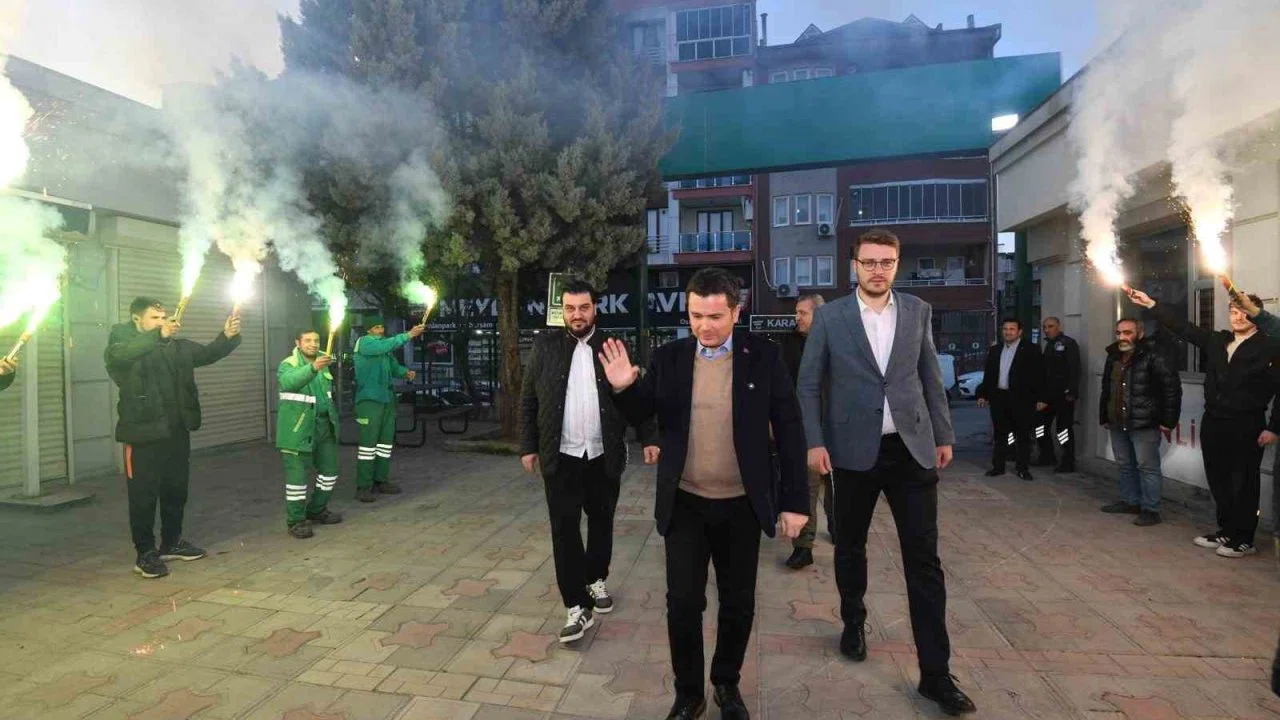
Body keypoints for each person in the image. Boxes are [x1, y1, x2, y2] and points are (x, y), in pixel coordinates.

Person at [599, 267, 809, 720]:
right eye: (696, 316)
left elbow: (790, 429)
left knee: (738, 603)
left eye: (714, 316)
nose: (704, 326)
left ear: (736, 311)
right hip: (686, 503)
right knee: (683, 604)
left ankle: (726, 684)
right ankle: (689, 693)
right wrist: (622, 387)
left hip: (742, 505)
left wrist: (795, 502)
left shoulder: (764, 357)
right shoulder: (670, 358)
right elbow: (641, 412)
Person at [798, 228, 975, 716]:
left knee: (924, 561)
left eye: (887, 262)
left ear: (897, 264)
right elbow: (808, 385)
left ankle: (935, 675)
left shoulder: (918, 311)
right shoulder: (830, 317)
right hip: (852, 453)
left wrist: (943, 434)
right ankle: (853, 621)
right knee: (850, 547)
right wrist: (814, 441)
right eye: (869, 262)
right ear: (854, 265)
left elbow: (929, 375)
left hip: (911, 451)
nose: (878, 270)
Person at [519, 280, 659, 643]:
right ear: (562, 311)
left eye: (583, 307)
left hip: (602, 453)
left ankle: (596, 579)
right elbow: (528, 398)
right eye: (570, 308)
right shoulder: (545, 346)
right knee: (564, 530)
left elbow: (636, 393)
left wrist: (649, 437)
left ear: (595, 308)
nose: (577, 315)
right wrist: (528, 445)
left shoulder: (614, 346)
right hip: (561, 455)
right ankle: (576, 605)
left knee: (601, 521)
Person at [1126, 287, 1277, 557]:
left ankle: (1244, 538)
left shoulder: (1269, 345)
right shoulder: (1218, 340)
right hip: (1214, 420)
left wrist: (1274, 427)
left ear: (1256, 315)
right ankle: (1226, 530)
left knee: (1243, 481)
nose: (1238, 317)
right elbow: (1183, 328)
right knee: (1218, 478)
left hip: (1246, 422)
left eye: (1244, 312)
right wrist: (1151, 304)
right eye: (1233, 311)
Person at [104, 296, 241, 579]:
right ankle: (145, 553)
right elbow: (121, 356)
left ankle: (172, 542)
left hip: (176, 432)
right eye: (154, 318)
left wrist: (226, 337)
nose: (162, 322)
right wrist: (158, 335)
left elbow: (207, 354)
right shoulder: (121, 344)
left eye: (163, 317)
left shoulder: (176, 346)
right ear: (136, 319)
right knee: (143, 497)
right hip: (143, 435)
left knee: (175, 491)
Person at [1097, 318, 1182, 526]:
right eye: (1119, 333)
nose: (1122, 337)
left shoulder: (1154, 355)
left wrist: (1168, 421)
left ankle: (1151, 509)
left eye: (1128, 332)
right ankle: (1131, 501)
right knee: (1125, 464)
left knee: (1147, 467)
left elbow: (1171, 389)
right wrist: (1105, 415)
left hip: (1145, 423)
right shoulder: (1113, 356)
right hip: (1118, 421)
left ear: (1140, 333)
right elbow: (1107, 388)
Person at [778, 293, 835, 570]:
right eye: (796, 312)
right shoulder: (789, 344)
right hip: (805, 429)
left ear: (819, 314)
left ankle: (838, 529)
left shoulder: (839, 342)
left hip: (838, 428)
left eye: (803, 313)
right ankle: (803, 546)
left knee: (837, 487)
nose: (796, 317)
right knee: (807, 487)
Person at [277, 330, 343, 539]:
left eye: (316, 340)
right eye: (308, 340)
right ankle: (295, 521)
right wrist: (313, 368)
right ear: (298, 342)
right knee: (297, 480)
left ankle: (316, 509)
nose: (313, 344)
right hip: (297, 430)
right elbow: (289, 382)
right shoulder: (288, 364)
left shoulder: (324, 360)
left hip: (324, 426)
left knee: (330, 472)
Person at [352, 316, 424, 502]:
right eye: (376, 327)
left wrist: (405, 373)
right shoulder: (365, 343)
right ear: (368, 330)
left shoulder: (383, 348)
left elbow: (393, 366)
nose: (381, 330)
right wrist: (408, 335)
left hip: (386, 400)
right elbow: (386, 345)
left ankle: (380, 480)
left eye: (381, 327)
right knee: (368, 447)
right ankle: (363, 487)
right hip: (369, 401)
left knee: (384, 444)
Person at [976, 318, 1043, 481]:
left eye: (1012, 329)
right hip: (999, 397)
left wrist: (1041, 398)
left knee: (1023, 435)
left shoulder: (1031, 350)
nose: (1008, 332)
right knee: (1000, 434)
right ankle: (998, 467)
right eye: (1005, 329)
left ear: (1019, 332)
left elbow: (1039, 376)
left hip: (1022, 399)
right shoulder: (995, 350)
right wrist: (982, 394)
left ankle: (1022, 468)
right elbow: (989, 374)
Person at [1036, 316, 1081, 472]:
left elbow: (1074, 369)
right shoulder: (1048, 345)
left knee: (1063, 429)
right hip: (1048, 395)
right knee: (1039, 426)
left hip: (1063, 395)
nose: (1047, 330)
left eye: (1050, 326)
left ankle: (1067, 461)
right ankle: (1046, 455)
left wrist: (1071, 391)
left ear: (1058, 326)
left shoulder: (1068, 343)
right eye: (1045, 327)